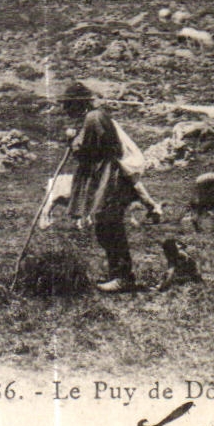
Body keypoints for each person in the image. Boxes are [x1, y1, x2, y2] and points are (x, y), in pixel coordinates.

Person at [61, 81, 163, 293]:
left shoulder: (93, 118)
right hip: (105, 177)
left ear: (78, 104)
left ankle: (123, 277)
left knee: (109, 226)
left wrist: (73, 142)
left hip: (111, 178)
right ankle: (118, 274)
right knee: (106, 225)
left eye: (68, 104)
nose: (65, 109)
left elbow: (96, 150)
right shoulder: (93, 118)